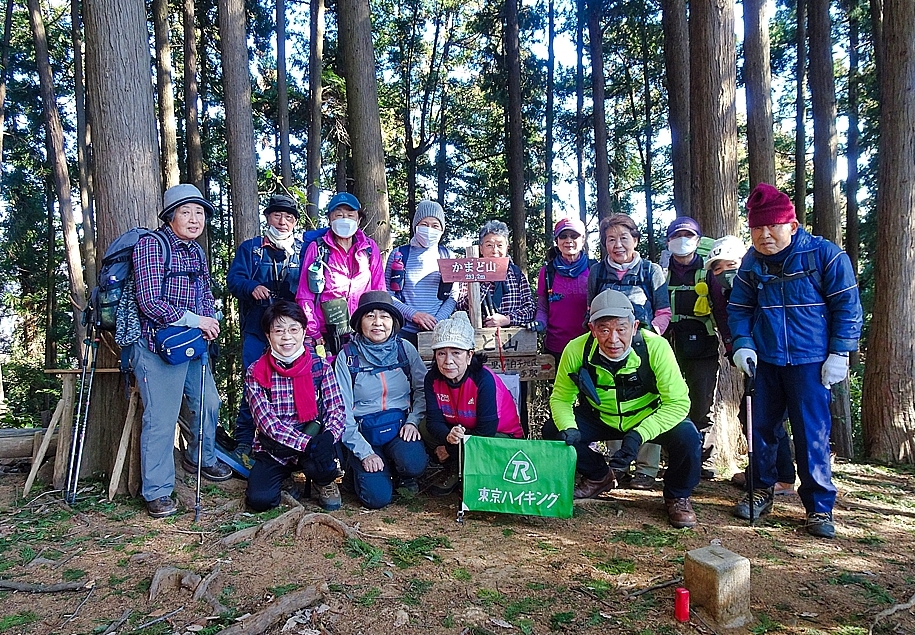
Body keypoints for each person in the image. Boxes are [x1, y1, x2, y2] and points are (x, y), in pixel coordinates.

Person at [728, 183, 862, 539]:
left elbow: (847, 307)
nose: (765, 235)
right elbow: (738, 308)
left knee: (811, 433)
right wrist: (742, 344)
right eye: (757, 228)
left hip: (811, 362)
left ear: (793, 224)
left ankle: (819, 507)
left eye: (773, 226)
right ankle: (760, 491)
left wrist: (840, 353)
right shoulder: (751, 263)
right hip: (765, 361)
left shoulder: (825, 255)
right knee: (761, 430)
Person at [543, 289, 701, 528]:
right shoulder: (576, 349)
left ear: (634, 326)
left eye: (621, 329)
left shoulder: (655, 347)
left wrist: (639, 434)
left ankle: (678, 495)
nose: (613, 339)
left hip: (647, 415)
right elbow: (561, 398)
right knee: (554, 430)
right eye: (604, 330)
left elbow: (678, 403)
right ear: (592, 329)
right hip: (600, 415)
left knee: (688, 436)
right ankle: (599, 476)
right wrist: (569, 427)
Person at [131, 183, 231, 518]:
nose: (194, 219)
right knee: (161, 417)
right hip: (156, 346)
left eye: (199, 212)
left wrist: (210, 320)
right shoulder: (151, 245)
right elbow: (149, 302)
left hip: (193, 343)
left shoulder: (196, 252)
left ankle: (200, 458)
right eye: (186, 212)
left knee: (209, 403)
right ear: (170, 217)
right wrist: (195, 320)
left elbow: (204, 292)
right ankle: (157, 491)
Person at [707, 236, 797, 496]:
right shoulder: (726, 294)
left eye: (730, 265)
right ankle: (763, 472)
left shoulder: (761, 284)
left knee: (767, 418)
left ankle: (782, 477)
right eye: (717, 268)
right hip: (755, 361)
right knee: (754, 417)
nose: (724, 272)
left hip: (779, 359)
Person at [587, 213, 671, 490]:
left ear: (635, 239)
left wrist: (651, 338)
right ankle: (618, 465)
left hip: (643, 350)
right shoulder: (598, 272)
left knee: (647, 403)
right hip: (607, 348)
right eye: (611, 239)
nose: (618, 245)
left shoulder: (650, 270)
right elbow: (591, 310)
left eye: (624, 238)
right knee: (611, 399)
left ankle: (646, 469)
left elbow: (663, 311)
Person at [226, 194, 304, 468]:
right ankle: (244, 442)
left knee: (295, 384)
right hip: (257, 331)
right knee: (254, 382)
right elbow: (234, 280)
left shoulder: (304, 250)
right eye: (277, 215)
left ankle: (292, 443)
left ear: (295, 222)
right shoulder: (251, 249)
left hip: (291, 333)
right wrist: (251, 287)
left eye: (289, 217)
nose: (283, 222)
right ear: (268, 217)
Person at [244, 301, 345, 512]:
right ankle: (285, 480)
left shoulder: (320, 366)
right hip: (275, 447)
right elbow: (268, 424)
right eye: (279, 331)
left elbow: (336, 408)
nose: (286, 337)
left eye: (293, 329)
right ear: (268, 335)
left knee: (324, 464)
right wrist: (307, 444)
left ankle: (323, 481)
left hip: (314, 439)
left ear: (304, 332)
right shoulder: (256, 372)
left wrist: (329, 437)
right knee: (260, 500)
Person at [335, 291, 429, 508]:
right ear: (359, 323)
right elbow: (341, 410)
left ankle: (401, 473)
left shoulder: (404, 349)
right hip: (363, 433)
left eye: (384, 316)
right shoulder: (347, 357)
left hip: (399, 428)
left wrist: (413, 420)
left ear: (393, 322)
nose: (378, 323)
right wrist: (364, 453)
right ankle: (358, 467)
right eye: (370, 316)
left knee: (414, 463)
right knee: (377, 498)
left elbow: (423, 389)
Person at [424, 311, 524, 494]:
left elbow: (485, 432)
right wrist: (449, 437)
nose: (448, 361)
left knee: (482, 444)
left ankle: (465, 469)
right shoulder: (432, 378)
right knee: (423, 427)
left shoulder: (483, 380)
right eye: (441, 353)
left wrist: (449, 448)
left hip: (499, 436)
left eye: (456, 353)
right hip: (459, 431)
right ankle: (456, 467)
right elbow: (433, 421)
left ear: (469, 355)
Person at [663, 217, 732, 478]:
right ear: (668, 241)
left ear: (698, 240)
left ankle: (703, 458)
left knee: (702, 401)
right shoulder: (661, 271)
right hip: (668, 345)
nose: (682, 240)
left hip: (702, 342)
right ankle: (674, 457)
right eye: (676, 235)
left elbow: (721, 310)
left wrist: (731, 343)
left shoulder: (708, 271)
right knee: (667, 400)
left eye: (688, 235)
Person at [296, 192, 385, 356]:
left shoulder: (369, 248)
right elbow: (305, 295)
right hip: (327, 335)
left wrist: (378, 327)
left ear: (358, 219)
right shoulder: (317, 249)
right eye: (339, 215)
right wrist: (313, 332)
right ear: (330, 219)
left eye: (350, 215)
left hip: (363, 331)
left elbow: (379, 291)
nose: (345, 219)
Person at [384, 200, 458, 347]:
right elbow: (388, 292)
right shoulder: (399, 254)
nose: (429, 229)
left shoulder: (448, 256)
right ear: (415, 226)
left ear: (442, 229)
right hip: (403, 330)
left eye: (435, 225)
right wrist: (413, 315)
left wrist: (437, 321)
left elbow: (453, 295)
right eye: (424, 224)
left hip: (438, 331)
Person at [534, 217, 594, 362]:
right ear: (556, 241)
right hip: (556, 348)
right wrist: (539, 323)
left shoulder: (594, 269)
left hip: (589, 345)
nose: (568, 240)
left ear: (583, 239)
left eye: (574, 236)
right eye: (563, 236)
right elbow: (542, 308)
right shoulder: (547, 272)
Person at [459, 220, 535, 327]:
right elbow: (460, 307)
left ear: (507, 248)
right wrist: (483, 284)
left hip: (511, 335)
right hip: (477, 334)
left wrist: (507, 319)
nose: (494, 250)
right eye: (489, 245)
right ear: (481, 249)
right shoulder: (469, 272)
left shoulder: (516, 274)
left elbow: (530, 310)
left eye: (499, 245)